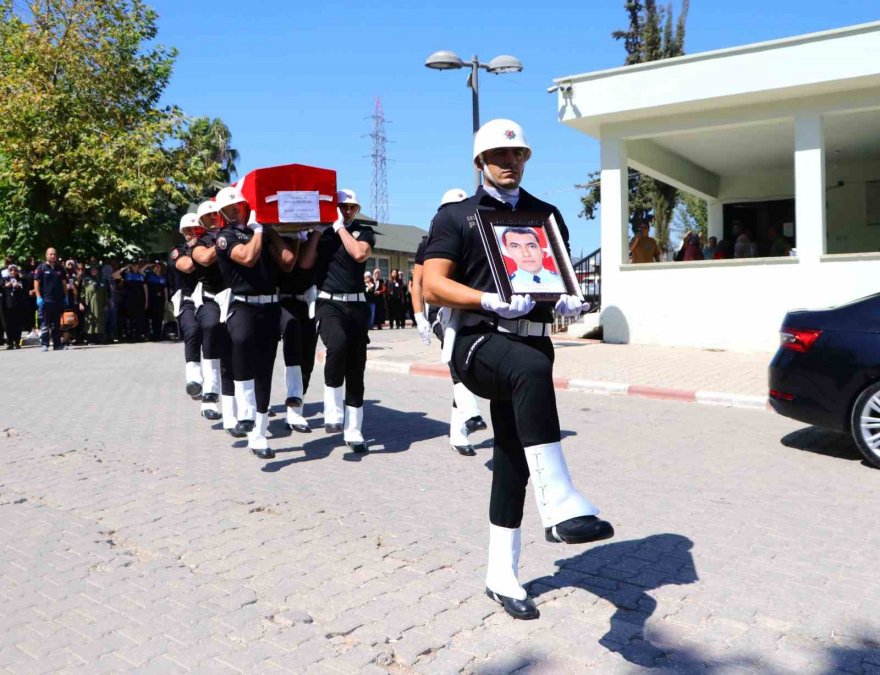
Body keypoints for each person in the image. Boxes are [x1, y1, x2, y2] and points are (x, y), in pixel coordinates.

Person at [422, 119, 614, 621]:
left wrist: (568, 302)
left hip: (532, 346)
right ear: (479, 163)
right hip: (478, 342)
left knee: (512, 457)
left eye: (518, 155)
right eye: (498, 156)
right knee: (527, 368)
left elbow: (558, 278)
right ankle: (560, 506)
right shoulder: (456, 217)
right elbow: (433, 286)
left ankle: (500, 573)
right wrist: (488, 298)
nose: (510, 164)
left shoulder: (545, 215)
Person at [214, 186, 295, 458]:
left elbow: (287, 261)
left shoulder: (261, 231)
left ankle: (258, 434)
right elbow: (247, 258)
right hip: (243, 305)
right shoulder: (225, 236)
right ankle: (245, 412)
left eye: (237, 206)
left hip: (270, 307)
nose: (234, 211)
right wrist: (259, 231)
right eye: (229, 209)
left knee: (264, 371)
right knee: (241, 342)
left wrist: (270, 231)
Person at [411, 187, 489, 457]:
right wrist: (419, 315)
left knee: (466, 359)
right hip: (441, 311)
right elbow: (418, 283)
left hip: (467, 309)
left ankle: (459, 433)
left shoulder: (475, 236)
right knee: (457, 354)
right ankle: (471, 412)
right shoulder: (430, 241)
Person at [299, 189, 375, 453]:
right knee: (338, 345)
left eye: (352, 207)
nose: (348, 211)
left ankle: (354, 431)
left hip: (356, 304)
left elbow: (359, 254)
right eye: (343, 206)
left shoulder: (362, 232)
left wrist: (340, 228)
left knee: (356, 366)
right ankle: (332, 412)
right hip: (328, 301)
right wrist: (320, 231)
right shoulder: (322, 233)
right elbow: (306, 263)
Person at [190, 199, 240, 431]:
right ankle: (210, 391)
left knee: (232, 351)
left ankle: (234, 411)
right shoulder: (199, 241)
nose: (213, 217)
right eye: (208, 215)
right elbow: (204, 258)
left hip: (233, 298)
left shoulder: (233, 232)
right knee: (210, 326)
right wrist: (223, 241)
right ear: (201, 220)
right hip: (209, 299)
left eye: (215, 214)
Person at [277, 231, 320, 434]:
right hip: (285, 300)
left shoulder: (314, 237)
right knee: (292, 347)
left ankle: (297, 407)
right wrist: (293, 237)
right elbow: (292, 263)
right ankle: (291, 408)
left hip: (308, 302)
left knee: (308, 357)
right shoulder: (280, 237)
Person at [171, 213, 205, 400]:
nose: (192, 232)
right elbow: (187, 266)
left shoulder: (208, 244)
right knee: (192, 330)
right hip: (188, 299)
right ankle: (193, 378)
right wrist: (200, 252)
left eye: (195, 228)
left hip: (211, 298)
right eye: (187, 230)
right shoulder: (179, 250)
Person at [34, 247, 67, 351]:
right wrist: (38, 297)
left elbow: (64, 283)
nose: (53, 256)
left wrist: (65, 296)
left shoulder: (60, 268)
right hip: (45, 301)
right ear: (46, 255)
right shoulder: (42, 267)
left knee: (56, 324)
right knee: (44, 324)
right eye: (51, 254)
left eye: (54, 254)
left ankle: (57, 345)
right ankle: (44, 344)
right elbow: (36, 283)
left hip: (57, 301)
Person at [80, 265, 108, 344]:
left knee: (100, 321)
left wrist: (106, 304)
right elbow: (82, 293)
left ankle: (99, 339)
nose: (94, 271)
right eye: (92, 270)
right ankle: (90, 339)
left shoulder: (102, 280)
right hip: (90, 305)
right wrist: (81, 303)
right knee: (90, 321)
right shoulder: (86, 281)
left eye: (95, 270)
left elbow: (105, 294)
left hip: (100, 305)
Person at [144, 262, 169, 341]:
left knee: (160, 317)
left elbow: (165, 289)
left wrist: (166, 300)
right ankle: (153, 335)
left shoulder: (163, 277)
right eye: (155, 267)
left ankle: (158, 335)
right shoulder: (149, 275)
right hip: (152, 299)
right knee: (153, 317)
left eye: (158, 267)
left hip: (160, 300)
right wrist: (148, 265)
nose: (157, 268)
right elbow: (141, 272)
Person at [3, 264, 26, 349]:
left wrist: (18, 286)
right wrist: (6, 286)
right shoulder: (5, 279)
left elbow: (24, 288)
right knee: (8, 324)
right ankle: (10, 342)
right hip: (7, 305)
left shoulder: (21, 279)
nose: (13, 272)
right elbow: (1, 288)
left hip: (18, 305)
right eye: (11, 270)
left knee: (18, 324)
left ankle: (17, 342)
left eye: (15, 270)